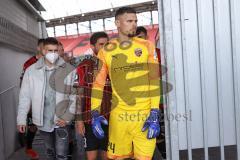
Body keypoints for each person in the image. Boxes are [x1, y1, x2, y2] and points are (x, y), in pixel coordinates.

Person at [90, 7, 161, 159]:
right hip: (119, 117)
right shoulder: (105, 51)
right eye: (129, 21)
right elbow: (98, 84)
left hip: (145, 117)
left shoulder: (147, 45)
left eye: (135, 21)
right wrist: (94, 112)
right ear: (117, 23)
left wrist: (155, 111)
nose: (134, 24)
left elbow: (154, 80)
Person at [17, 37, 76, 160]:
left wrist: (67, 117)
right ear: (43, 51)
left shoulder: (69, 70)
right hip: (42, 122)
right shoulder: (31, 71)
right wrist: (21, 119)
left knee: (61, 154)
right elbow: (25, 97)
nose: (53, 54)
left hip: (61, 121)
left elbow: (74, 96)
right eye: (50, 50)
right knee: (50, 153)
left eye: (55, 50)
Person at [75, 32, 111, 160]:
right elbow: (79, 94)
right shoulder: (84, 65)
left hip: (111, 119)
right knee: (91, 156)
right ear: (92, 46)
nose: (105, 47)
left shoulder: (115, 64)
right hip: (90, 119)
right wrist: (79, 119)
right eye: (101, 44)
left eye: (107, 44)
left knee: (108, 156)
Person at [19, 38, 45, 160]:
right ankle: (29, 148)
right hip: (33, 101)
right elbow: (23, 84)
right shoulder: (29, 63)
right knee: (33, 125)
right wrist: (28, 103)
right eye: (44, 47)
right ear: (38, 48)